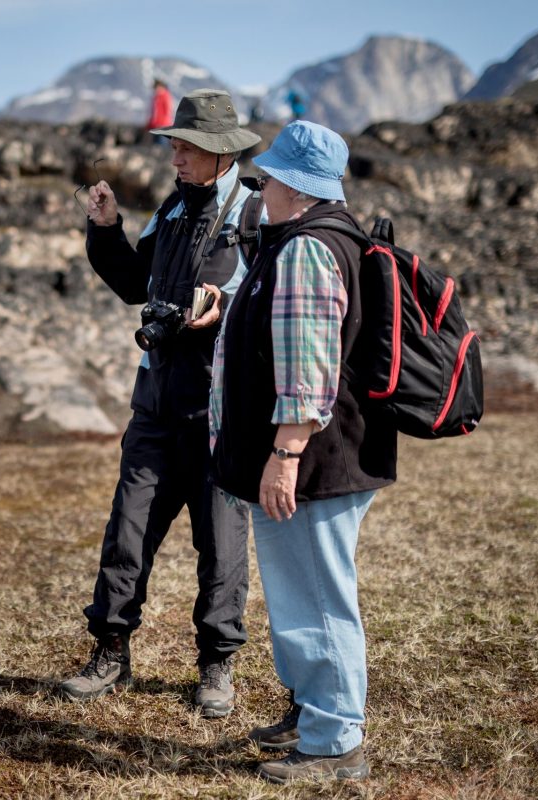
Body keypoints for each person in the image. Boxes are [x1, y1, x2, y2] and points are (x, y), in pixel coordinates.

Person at [58, 89, 263, 718]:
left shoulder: (255, 214)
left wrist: (225, 308)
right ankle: (111, 653)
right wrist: (105, 228)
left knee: (221, 544)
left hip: (219, 414)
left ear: (218, 152)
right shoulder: (171, 210)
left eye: (183, 146)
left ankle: (216, 665)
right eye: (173, 144)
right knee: (129, 531)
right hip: (154, 408)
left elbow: (271, 301)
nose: (172, 154)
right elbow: (130, 284)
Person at [209, 120, 397, 783]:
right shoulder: (323, 239)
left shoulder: (308, 250)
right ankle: (312, 711)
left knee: (317, 598)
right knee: (305, 592)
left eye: (266, 178)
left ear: (293, 185)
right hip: (329, 454)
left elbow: (309, 369)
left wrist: (285, 454)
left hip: (314, 461)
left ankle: (334, 745)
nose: (259, 188)